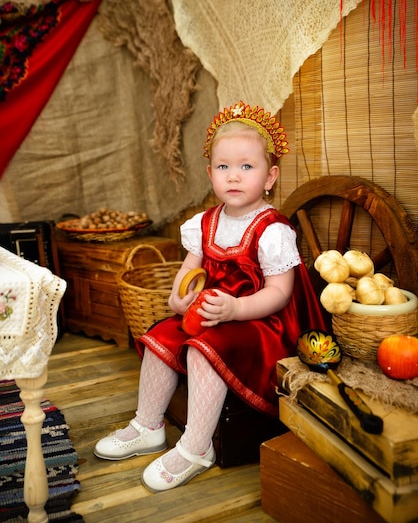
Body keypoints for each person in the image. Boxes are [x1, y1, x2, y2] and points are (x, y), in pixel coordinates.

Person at [94, 100, 329, 492]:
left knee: (203, 348)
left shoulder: (272, 230)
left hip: (261, 325)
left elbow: (280, 293)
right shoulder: (206, 222)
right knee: (161, 336)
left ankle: (196, 447)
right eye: (223, 167)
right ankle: (147, 425)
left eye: (246, 167)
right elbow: (190, 268)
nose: (233, 177)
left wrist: (237, 307)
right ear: (210, 173)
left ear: (270, 177)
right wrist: (178, 297)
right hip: (212, 316)